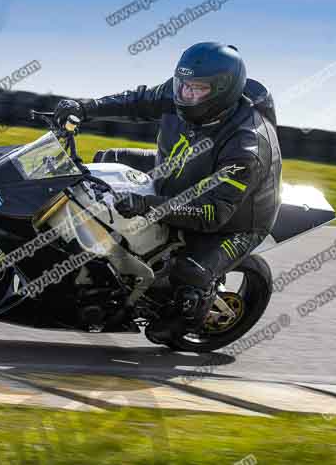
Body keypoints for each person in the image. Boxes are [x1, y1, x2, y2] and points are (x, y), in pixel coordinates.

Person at [53, 42, 282, 341]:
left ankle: (188, 317)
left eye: (198, 89)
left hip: (235, 220)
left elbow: (212, 213)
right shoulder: (179, 93)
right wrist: (85, 108)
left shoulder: (247, 145)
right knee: (104, 160)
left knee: (189, 272)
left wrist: (147, 205)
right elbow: (137, 102)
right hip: (181, 169)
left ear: (223, 91)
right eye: (184, 86)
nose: (187, 95)